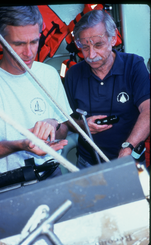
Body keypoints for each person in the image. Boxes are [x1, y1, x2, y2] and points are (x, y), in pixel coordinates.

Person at [0, 6, 73, 179]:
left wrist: (52, 124)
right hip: (6, 184)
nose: (29, 53)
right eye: (19, 44)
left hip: (51, 174)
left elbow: (64, 129)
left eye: (34, 42)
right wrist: (20, 144)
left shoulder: (48, 74)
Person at [65, 9, 150, 169]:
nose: (91, 54)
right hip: (88, 163)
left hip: (130, 159)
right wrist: (82, 126)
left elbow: (148, 111)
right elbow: (64, 120)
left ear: (113, 39)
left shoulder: (134, 65)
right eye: (84, 47)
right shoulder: (73, 74)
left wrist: (128, 148)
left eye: (98, 45)